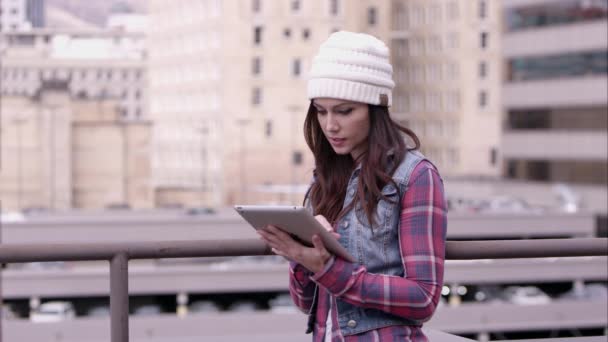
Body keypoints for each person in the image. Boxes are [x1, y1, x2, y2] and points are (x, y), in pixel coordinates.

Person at [257, 31, 447, 342]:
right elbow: (306, 303)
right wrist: (302, 257)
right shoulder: (325, 179)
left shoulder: (415, 175)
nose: (330, 125)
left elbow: (423, 298)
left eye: (344, 111)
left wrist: (329, 267)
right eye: (321, 110)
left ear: (375, 109)